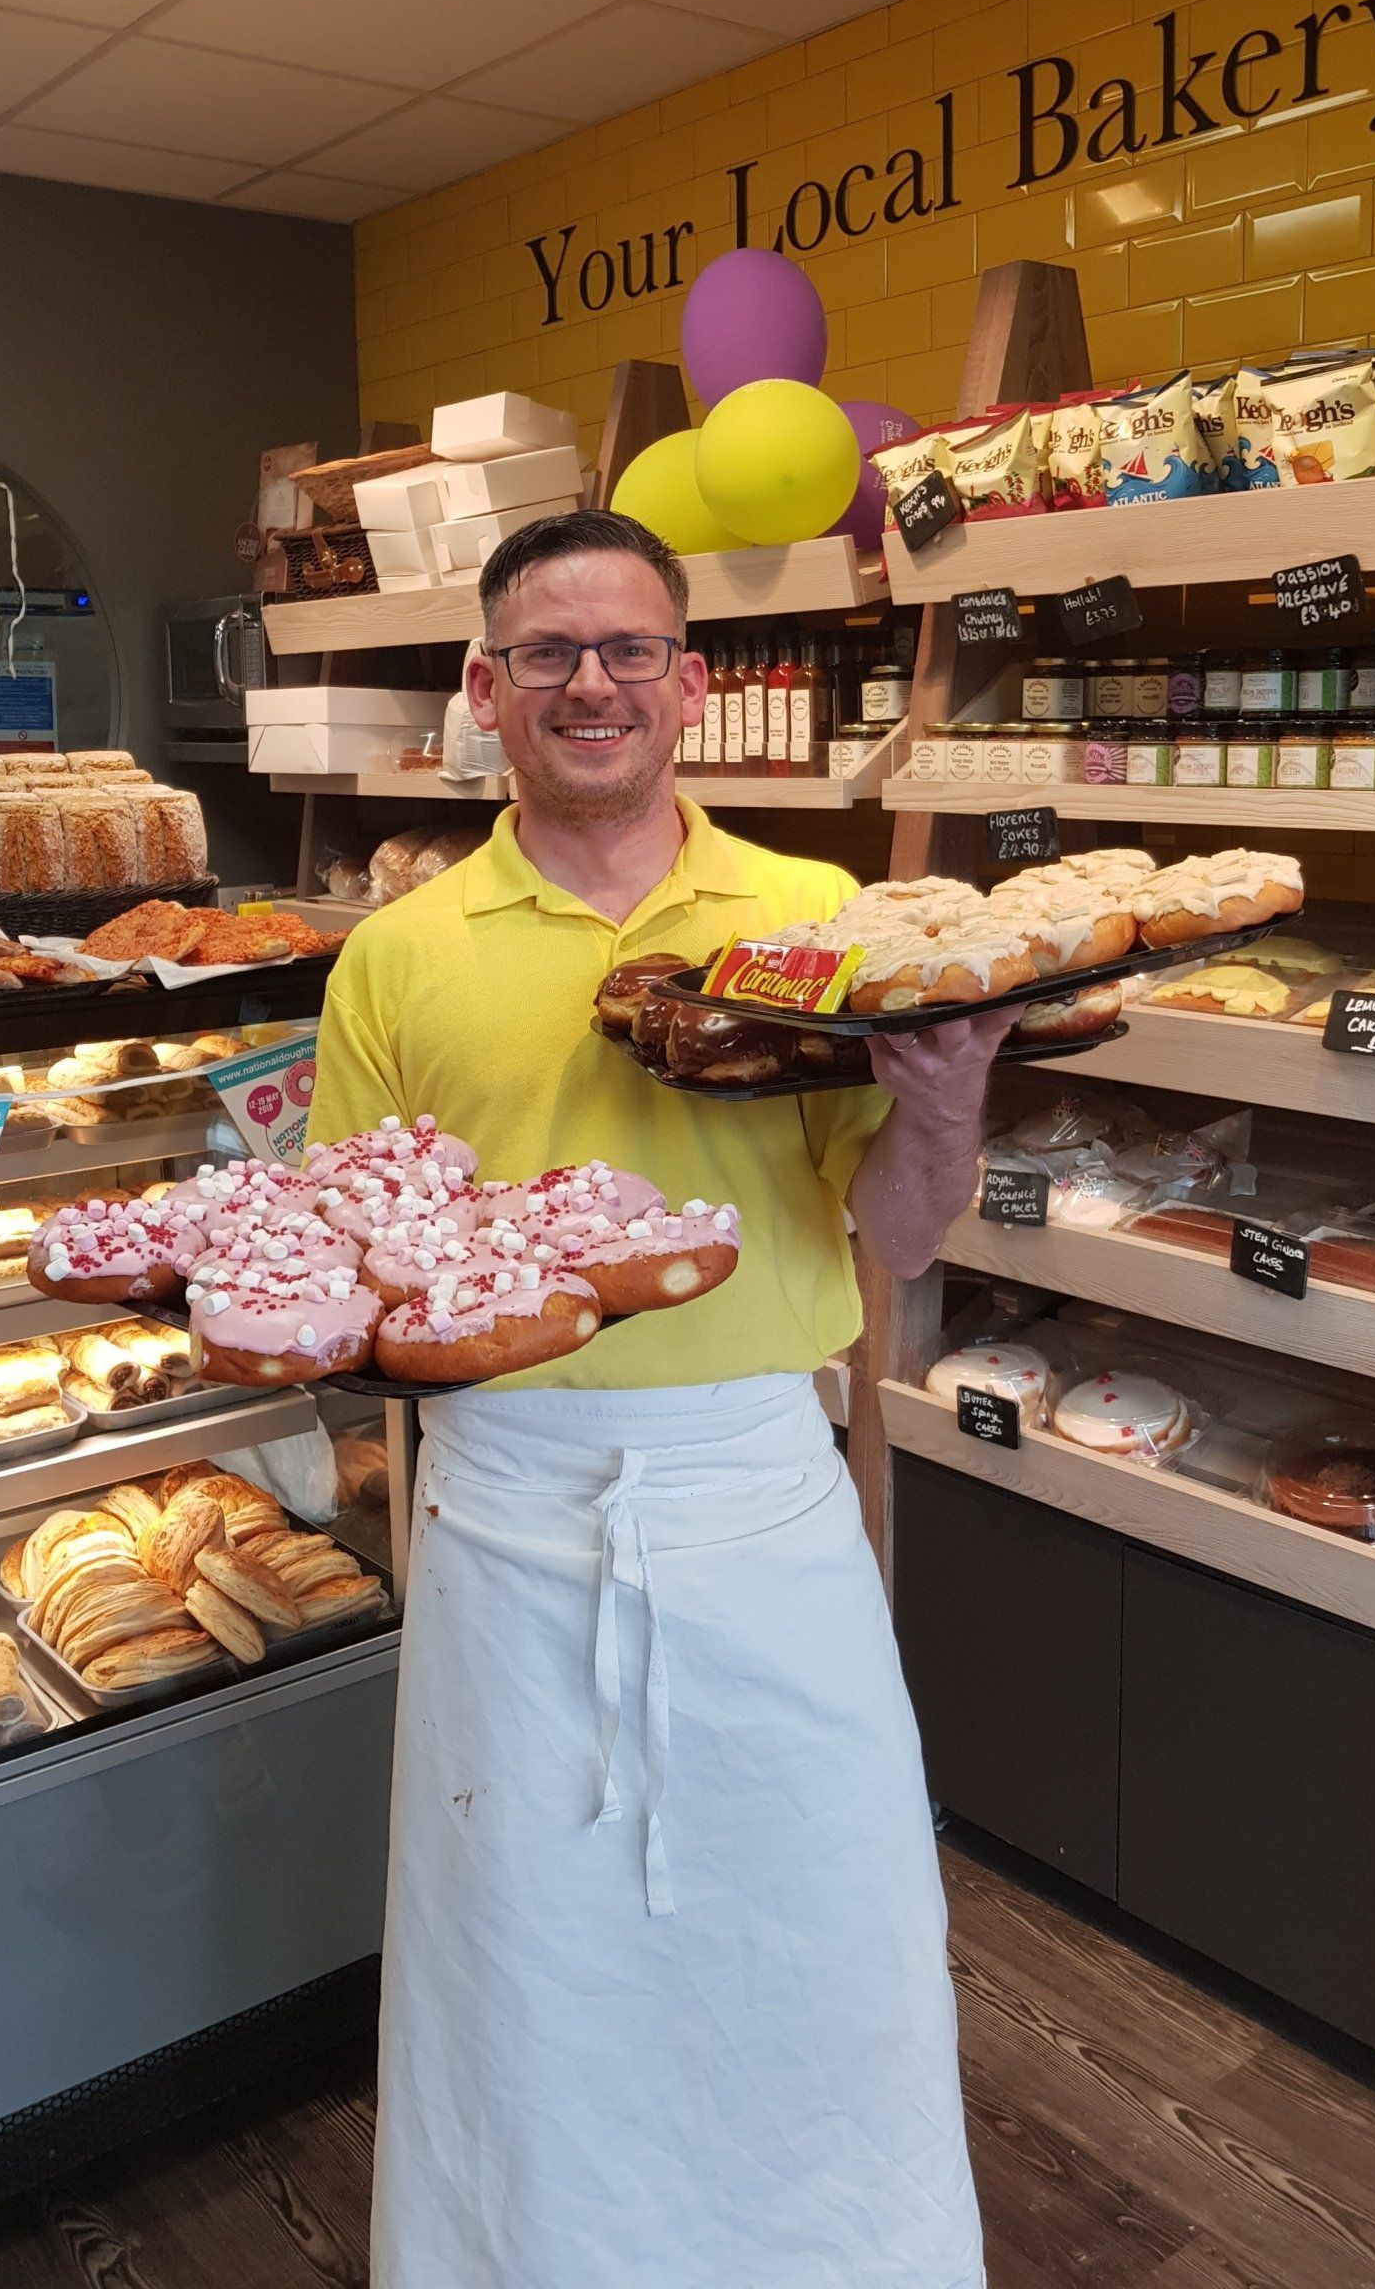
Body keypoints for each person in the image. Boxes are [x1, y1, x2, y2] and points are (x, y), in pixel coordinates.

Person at [308, 507, 1005, 2289]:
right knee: (522, 1965)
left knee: (825, 1933)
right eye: (547, 652)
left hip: (765, 1496)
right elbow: (354, 1262)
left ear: (691, 685)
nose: (591, 684)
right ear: (487, 692)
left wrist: (944, 1105)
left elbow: (897, 1239)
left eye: (629, 649)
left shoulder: (815, 921)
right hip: (503, 1515)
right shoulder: (401, 953)